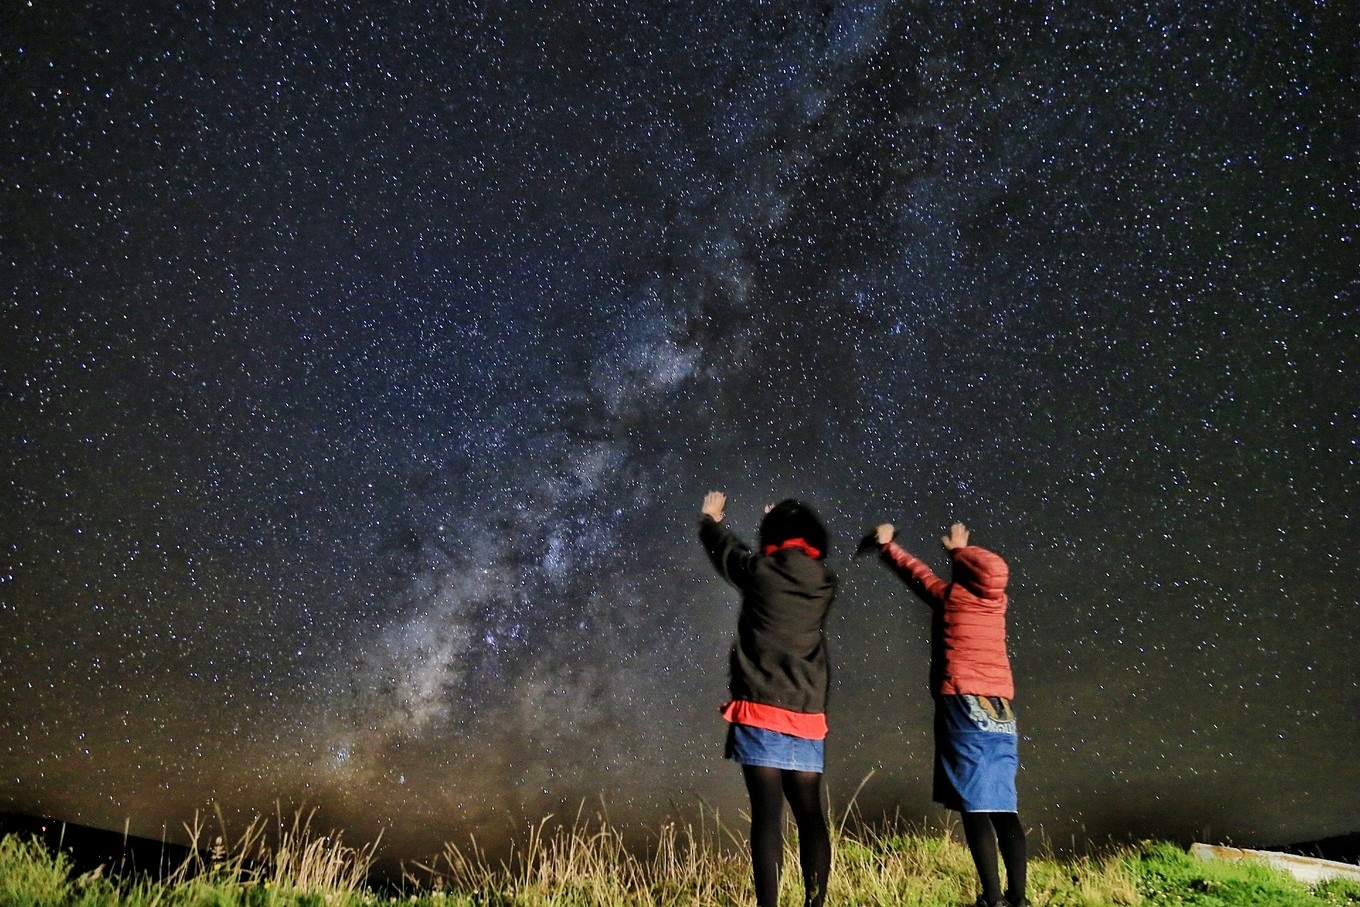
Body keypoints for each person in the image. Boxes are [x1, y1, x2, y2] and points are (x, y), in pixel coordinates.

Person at [873, 520, 1027, 907]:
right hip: (1002, 710)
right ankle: (1018, 898)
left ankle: (991, 898)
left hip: (963, 703)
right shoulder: (997, 603)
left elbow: (918, 575)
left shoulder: (953, 598)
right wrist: (960, 552)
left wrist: (888, 545)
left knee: (974, 803)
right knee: (1004, 805)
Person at [699, 491, 836, 907]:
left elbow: (728, 552)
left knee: (767, 818)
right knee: (810, 816)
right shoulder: (823, 581)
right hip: (806, 713)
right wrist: (781, 524)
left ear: (773, 535)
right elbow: (781, 560)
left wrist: (711, 521)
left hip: (761, 710)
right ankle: (815, 902)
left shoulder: (760, 571)